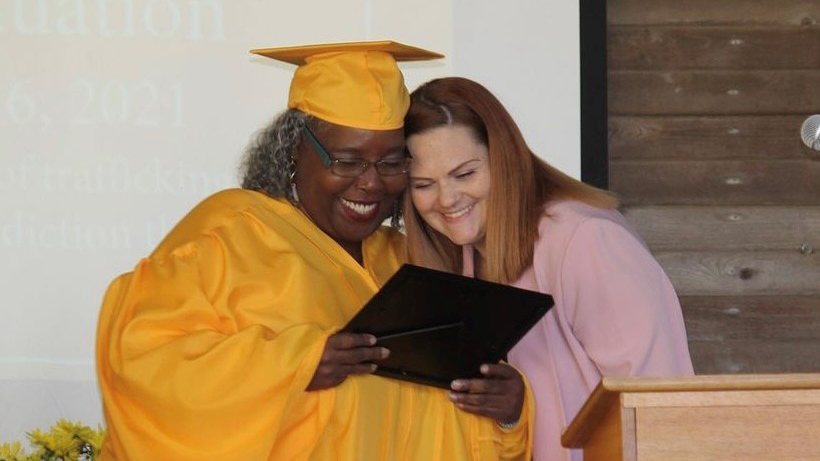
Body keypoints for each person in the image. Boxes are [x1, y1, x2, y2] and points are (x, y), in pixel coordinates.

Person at [95, 44, 533, 460]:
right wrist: (296, 363)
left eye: (391, 162)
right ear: (292, 151)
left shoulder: (410, 260)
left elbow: (444, 421)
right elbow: (141, 363)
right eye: (346, 161)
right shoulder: (229, 232)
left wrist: (508, 412)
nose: (370, 182)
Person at [402, 76, 694, 461]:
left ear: (503, 159)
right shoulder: (461, 260)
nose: (447, 198)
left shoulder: (585, 241)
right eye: (424, 184)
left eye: (465, 174)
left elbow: (658, 405)